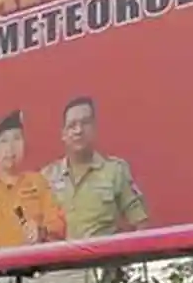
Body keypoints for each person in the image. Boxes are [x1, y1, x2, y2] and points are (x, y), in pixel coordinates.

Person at [41, 96, 150, 240]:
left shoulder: (115, 171)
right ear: (63, 134)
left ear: (94, 128)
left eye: (85, 123)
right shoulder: (47, 177)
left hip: (104, 260)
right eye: (72, 125)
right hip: (61, 261)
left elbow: (141, 223)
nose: (78, 130)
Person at [0, 111, 66, 249]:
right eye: (4, 141)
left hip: (35, 266)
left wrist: (41, 232)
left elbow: (58, 225)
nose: (10, 148)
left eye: (17, 138)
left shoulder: (38, 183)